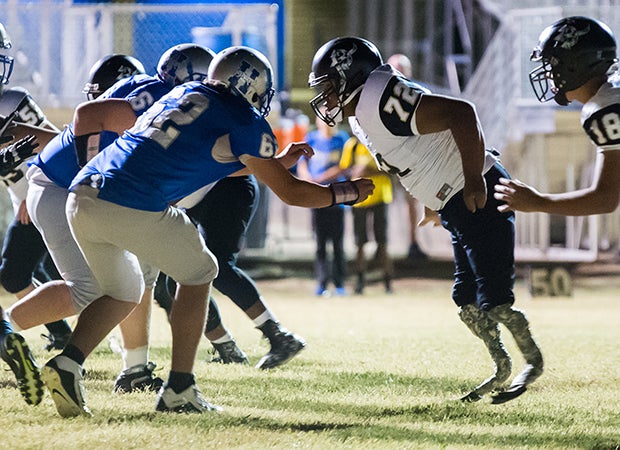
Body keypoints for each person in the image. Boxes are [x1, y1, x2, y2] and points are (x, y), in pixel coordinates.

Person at [39, 46, 373, 417]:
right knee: (200, 271)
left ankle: (68, 364)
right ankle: (180, 387)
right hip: (131, 201)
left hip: (83, 194)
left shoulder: (180, 95)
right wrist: (345, 192)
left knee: (124, 291)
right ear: (251, 84)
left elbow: (209, 159)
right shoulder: (242, 119)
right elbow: (292, 192)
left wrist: (274, 164)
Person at [308, 36, 543, 404]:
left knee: (494, 298)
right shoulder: (362, 111)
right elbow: (417, 156)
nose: (326, 97)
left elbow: (462, 114)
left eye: (329, 86)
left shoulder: (381, 99)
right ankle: (501, 367)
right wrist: (433, 203)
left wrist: (472, 179)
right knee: (466, 300)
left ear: (350, 77)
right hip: (453, 200)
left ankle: (532, 362)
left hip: (474, 192)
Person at [3, 46, 216, 396]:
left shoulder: (155, 94)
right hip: (64, 188)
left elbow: (69, 136)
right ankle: (9, 333)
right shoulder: (163, 99)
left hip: (65, 186)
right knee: (96, 289)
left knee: (130, 279)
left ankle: (134, 368)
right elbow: (87, 119)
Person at [155, 175, 307, 370]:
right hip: (194, 193)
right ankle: (226, 349)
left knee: (220, 267)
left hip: (227, 186)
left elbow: (240, 162)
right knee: (177, 277)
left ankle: (279, 336)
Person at [494, 17, 620, 219]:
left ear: (574, 65)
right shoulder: (610, 95)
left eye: (552, 65)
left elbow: (605, 198)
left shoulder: (605, 109)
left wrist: (538, 202)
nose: (548, 75)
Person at [0, 21, 72, 352]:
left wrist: (33, 188)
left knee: (14, 275)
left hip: (42, 194)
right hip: (26, 201)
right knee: (28, 271)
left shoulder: (12, 101)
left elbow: (56, 145)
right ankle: (60, 333)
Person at [297, 113, 350, 297]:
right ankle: (321, 283)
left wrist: (320, 178)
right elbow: (302, 163)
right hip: (316, 198)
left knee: (337, 243)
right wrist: (308, 180)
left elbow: (344, 165)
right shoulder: (311, 138)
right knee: (320, 243)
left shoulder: (342, 139)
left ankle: (339, 283)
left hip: (336, 198)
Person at [386, 53, 428, 262]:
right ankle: (382, 245)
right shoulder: (382, 93)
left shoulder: (415, 91)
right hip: (387, 154)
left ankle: (413, 242)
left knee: (413, 200)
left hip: (411, 154)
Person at [339, 136, 394, 294]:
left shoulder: (380, 140)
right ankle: (360, 282)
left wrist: (369, 170)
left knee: (382, 240)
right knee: (360, 241)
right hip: (359, 199)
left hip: (381, 196)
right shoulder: (352, 145)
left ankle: (387, 282)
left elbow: (392, 168)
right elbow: (345, 168)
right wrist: (355, 172)